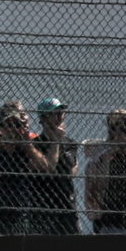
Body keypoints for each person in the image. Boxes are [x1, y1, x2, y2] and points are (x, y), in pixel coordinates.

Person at [0, 101, 47, 236]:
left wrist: (27, 144)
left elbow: (44, 167)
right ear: (1, 128)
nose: (12, 130)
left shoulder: (26, 151)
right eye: (8, 125)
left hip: (22, 213)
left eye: (17, 125)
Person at [30, 98, 79, 235]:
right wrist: (56, 141)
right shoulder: (36, 144)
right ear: (44, 118)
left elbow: (73, 169)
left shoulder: (70, 144)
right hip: (44, 205)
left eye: (61, 113)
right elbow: (49, 167)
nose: (60, 117)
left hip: (67, 204)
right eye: (55, 113)